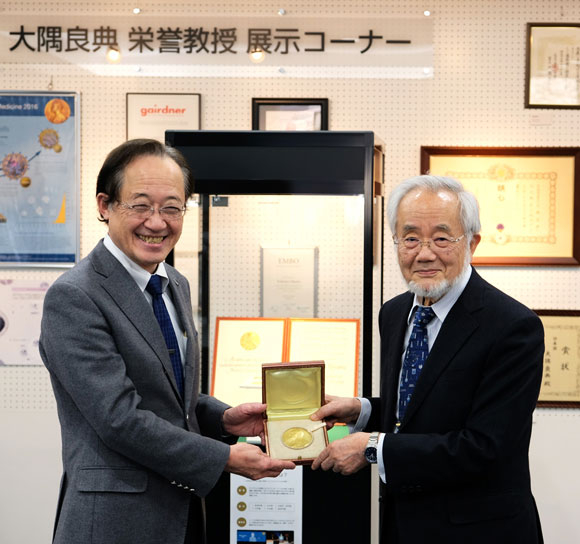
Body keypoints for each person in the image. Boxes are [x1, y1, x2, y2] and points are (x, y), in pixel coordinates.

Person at [40, 139, 295, 544]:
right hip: (114, 523)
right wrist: (224, 458)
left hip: (184, 512)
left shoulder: (174, 283)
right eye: (140, 205)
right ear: (105, 206)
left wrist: (221, 418)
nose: (157, 222)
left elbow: (169, 397)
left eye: (172, 207)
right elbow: (119, 418)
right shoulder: (75, 296)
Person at [310, 175, 544, 543]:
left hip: (479, 531)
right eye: (410, 237)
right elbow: (423, 408)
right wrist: (362, 410)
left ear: (472, 243)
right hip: (402, 524)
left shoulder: (513, 326)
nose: (424, 253)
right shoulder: (394, 313)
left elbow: (485, 445)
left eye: (441, 237)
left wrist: (372, 447)